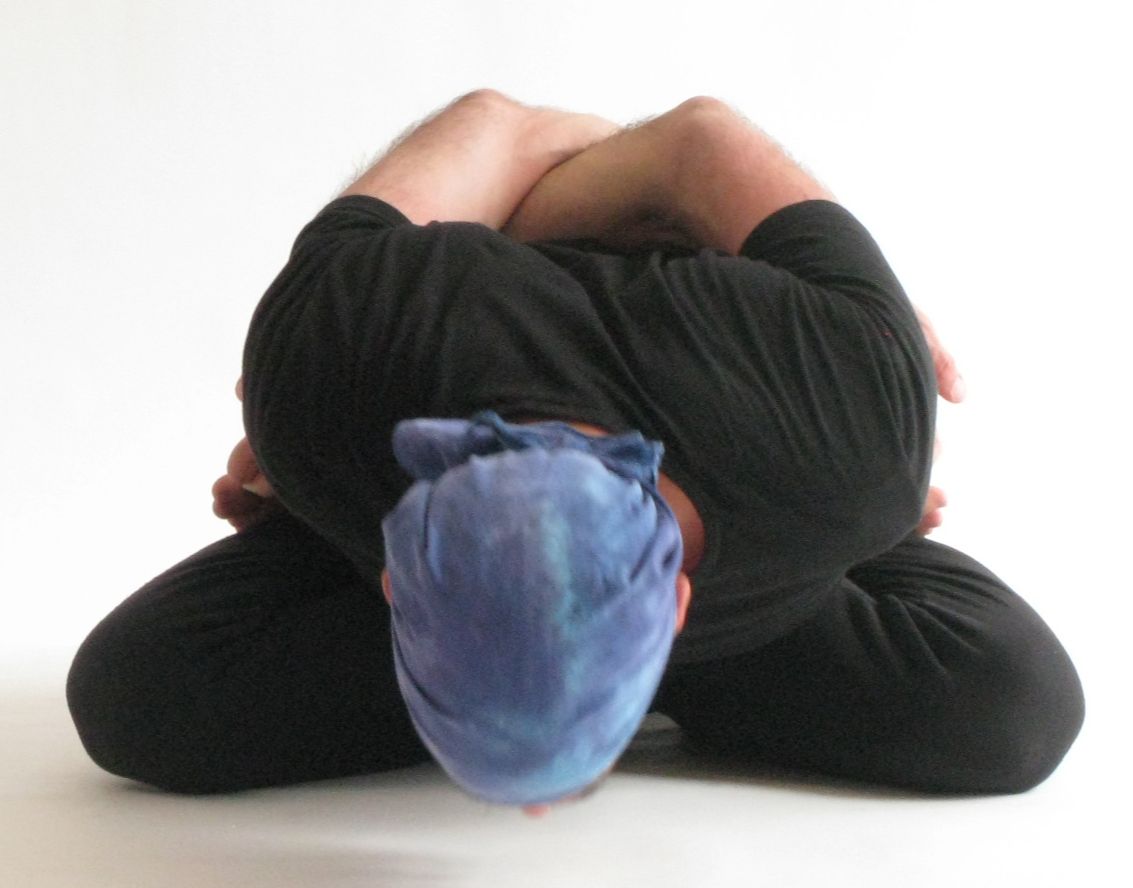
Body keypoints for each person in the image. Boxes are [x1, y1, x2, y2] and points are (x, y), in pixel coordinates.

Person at [66, 91, 1084, 814]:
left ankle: (536, 640)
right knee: (137, 703)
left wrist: (321, 471)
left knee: (1012, 709)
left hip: (749, 416)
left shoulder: (838, 412)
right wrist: (322, 471)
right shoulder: (326, 366)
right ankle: (542, 637)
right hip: (744, 476)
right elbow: (593, 142)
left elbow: (668, 139)